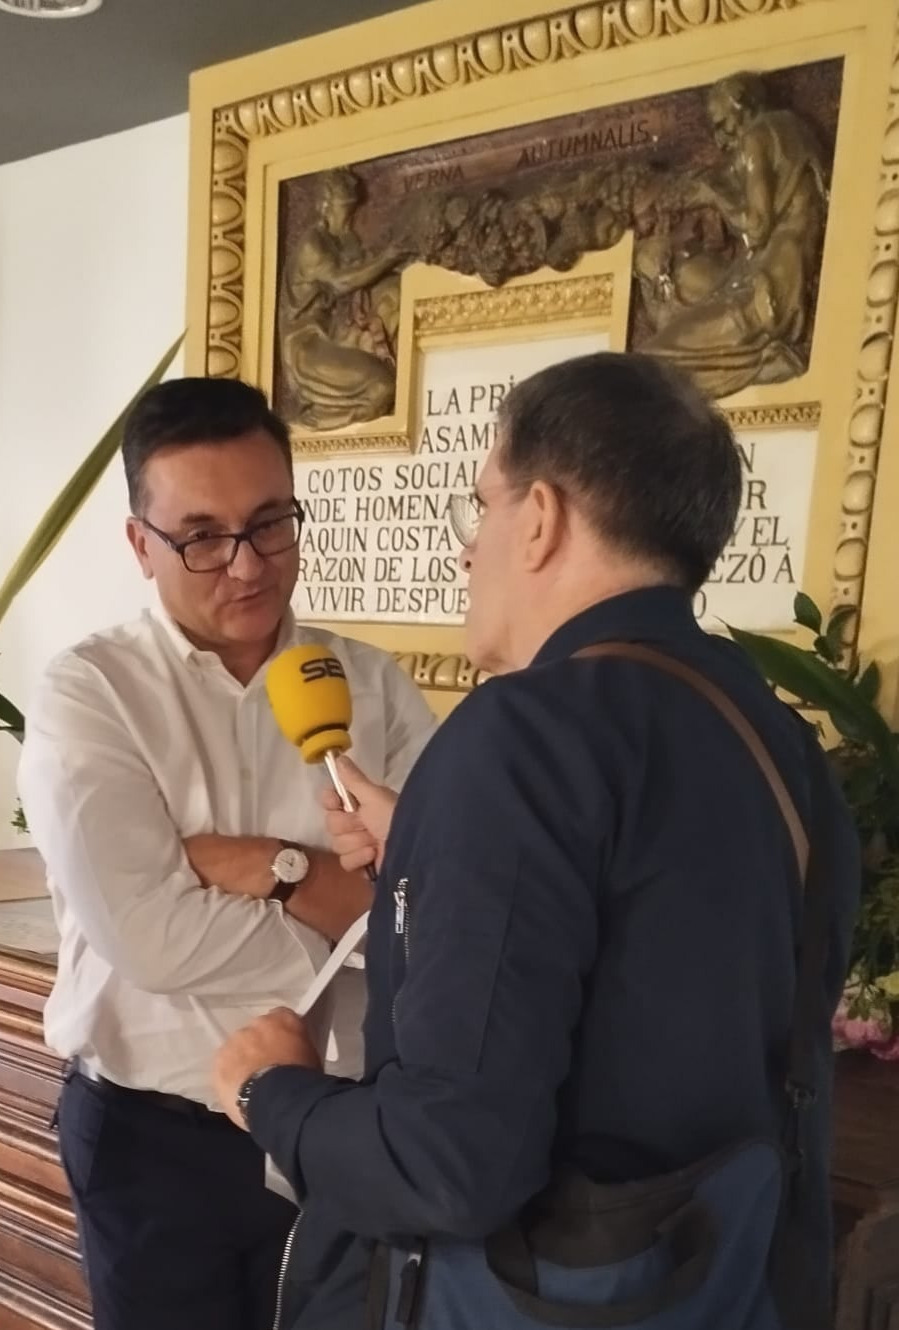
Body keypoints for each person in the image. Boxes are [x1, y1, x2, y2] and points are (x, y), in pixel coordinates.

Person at [213, 352, 860, 1329]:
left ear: (543, 517)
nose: (468, 552)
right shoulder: (777, 740)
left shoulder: (519, 737)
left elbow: (449, 1162)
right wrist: (431, 840)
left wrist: (271, 1092)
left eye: (481, 506)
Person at [17, 376, 437, 1330]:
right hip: (154, 1144)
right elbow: (151, 940)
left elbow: (428, 923)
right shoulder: (93, 694)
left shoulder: (370, 686)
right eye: (201, 536)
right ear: (140, 544)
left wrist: (271, 870)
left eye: (270, 523)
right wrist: (341, 905)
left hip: (338, 1134)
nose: (246, 566)